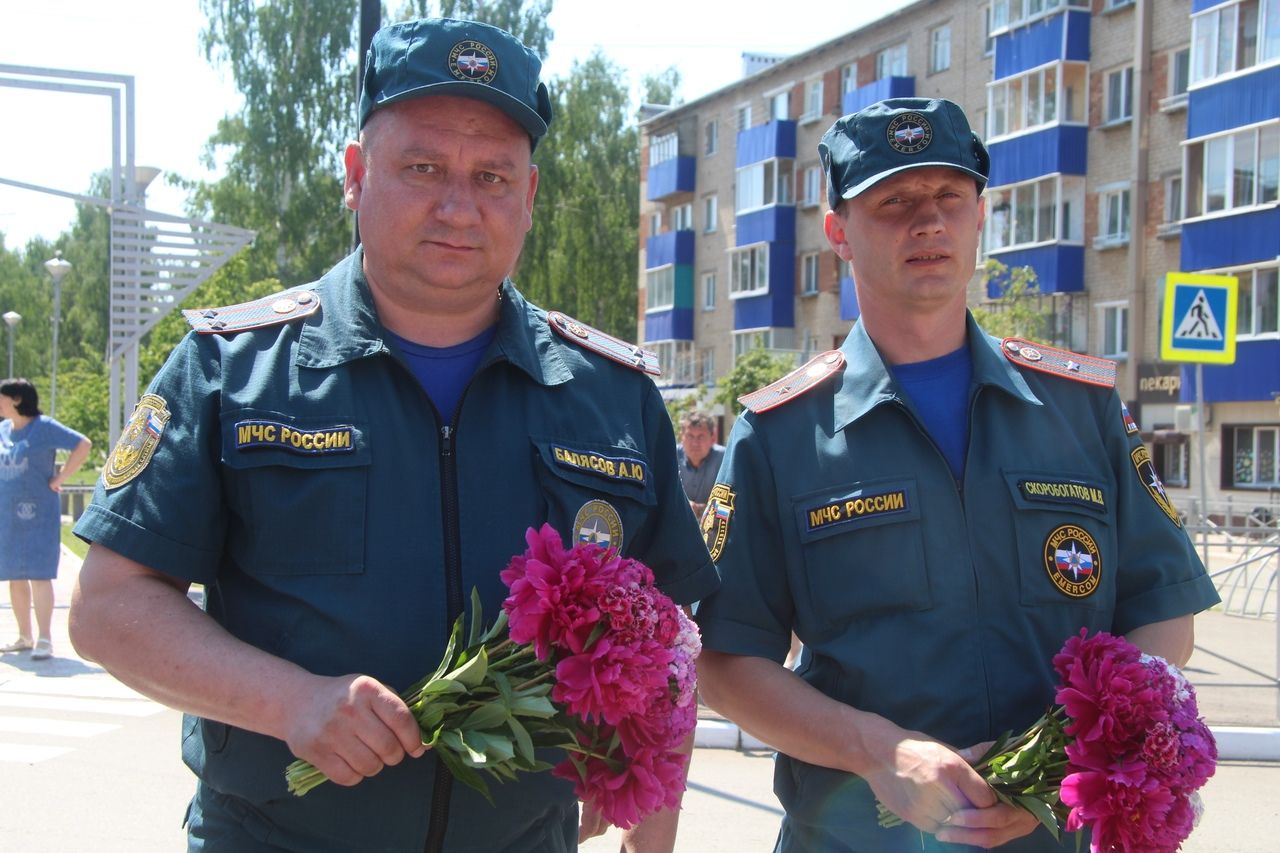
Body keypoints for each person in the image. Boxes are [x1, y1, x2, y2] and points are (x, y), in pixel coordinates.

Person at [68, 17, 717, 853]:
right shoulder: (233, 370)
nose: (458, 205)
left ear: (528, 196)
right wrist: (289, 700)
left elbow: (670, 635)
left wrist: (650, 834)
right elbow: (109, 607)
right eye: (422, 167)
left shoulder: (611, 394)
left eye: (492, 175)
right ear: (354, 175)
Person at [693, 98, 1221, 852]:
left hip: (1058, 833)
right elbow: (724, 660)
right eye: (895, 202)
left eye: (950, 197)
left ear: (981, 218)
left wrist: (1056, 767)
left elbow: (1163, 609)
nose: (929, 222)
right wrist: (874, 748)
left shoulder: (1081, 409)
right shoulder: (780, 433)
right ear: (839, 231)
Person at [0, 378, 91, 661]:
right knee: (14, 575)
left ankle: (44, 638)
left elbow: (83, 444)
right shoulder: (3, 429)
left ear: (16, 399)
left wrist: (61, 477)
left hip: (38, 512)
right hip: (6, 514)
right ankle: (24, 636)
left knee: (39, 575)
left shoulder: (45, 427)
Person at [675, 410, 724, 517]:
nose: (695, 443)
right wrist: (682, 505)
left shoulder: (725, 459)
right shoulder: (671, 457)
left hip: (715, 525)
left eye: (701, 437)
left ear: (713, 438)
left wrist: (704, 510)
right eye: (690, 436)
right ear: (681, 437)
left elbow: (735, 505)